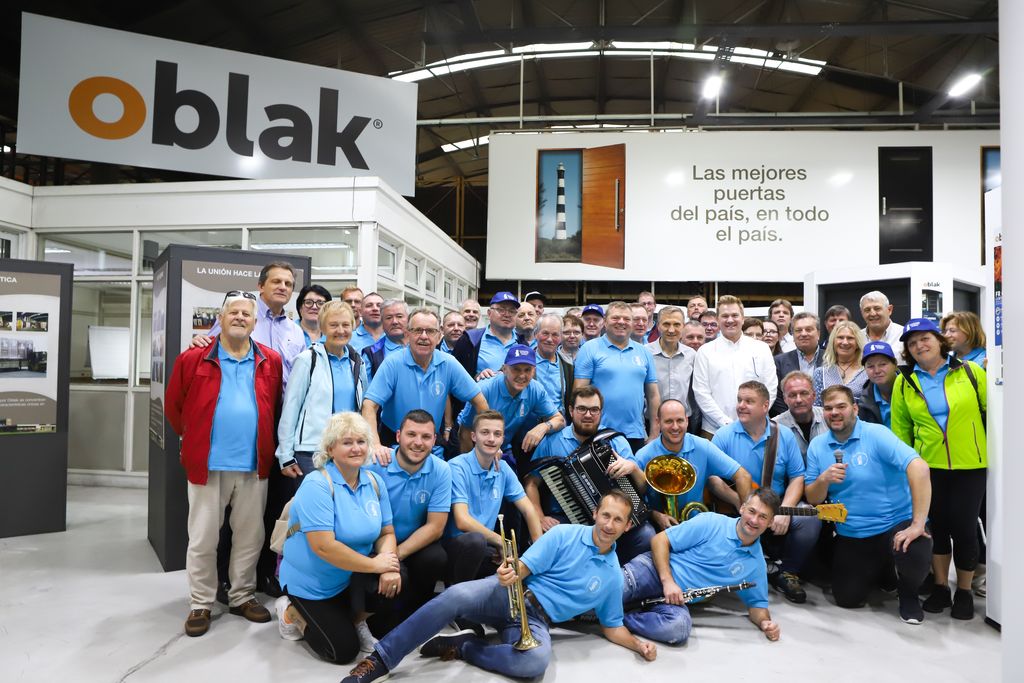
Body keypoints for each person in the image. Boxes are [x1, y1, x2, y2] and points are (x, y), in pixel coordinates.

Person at [343, 491, 657, 683]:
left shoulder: (613, 576)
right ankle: (380, 660)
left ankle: (465, 647)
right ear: (595, 513)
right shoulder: (564, 534)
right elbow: (524, 567)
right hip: (510, 593)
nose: (608, 525)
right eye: (605, 515)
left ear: (627, 526)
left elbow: (613, 626)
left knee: (534, 663)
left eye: (618, 520)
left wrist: (638, 645)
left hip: (537, 621)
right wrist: (511, 573)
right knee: (456, 595)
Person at [165, 291, 283, 637]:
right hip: (208, 465)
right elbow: (174, 407)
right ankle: (201, 602)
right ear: (221, 318)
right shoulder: (193, 358)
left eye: (246, 314)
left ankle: (241, 596)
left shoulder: (270, 360)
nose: (240, 318)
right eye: (233, 312)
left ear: (255, 322)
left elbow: (274, 406)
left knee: (250, 537)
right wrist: (196, 437)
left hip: (253, 464)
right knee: (203, 538)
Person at [276, 413, 400, 661]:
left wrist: (388, 564)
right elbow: (324, 547)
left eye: (361, 441)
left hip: (349, 577)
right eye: (347, 442)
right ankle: (290, 612)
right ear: (331, 448)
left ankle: (353, 619)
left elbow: (386, 533)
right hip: (312, 584)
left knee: (398, 578)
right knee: (343, 651)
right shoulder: (317, 484)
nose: (356, 448)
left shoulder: (374, 481)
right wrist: (376, 565)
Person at [805, 385, 932, 625]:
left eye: (841, 406)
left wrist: (918, 524)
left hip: (895, 523)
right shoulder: (817, 446)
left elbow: (919, 468)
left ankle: (909, 593)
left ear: (855, 409)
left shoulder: (876, 434)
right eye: (829, 408)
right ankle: (884, 568)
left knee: (916, 547)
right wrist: (823, 480)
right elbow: (813, 498)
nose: (834, 412)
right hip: (853, 531)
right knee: (847, 598)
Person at [891, 318, 987, 620]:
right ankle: (941, 587)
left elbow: (992, 413)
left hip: (971, 464)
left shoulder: (971, 372)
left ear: (939, 340)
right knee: (939, 528)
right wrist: (908, 468)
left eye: (925, 339)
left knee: (966, 529)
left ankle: (965, 591)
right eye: (912, 342)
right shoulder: (905, 381)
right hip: (929, 468)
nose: (919, 345)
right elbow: (901, 430)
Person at [620, 488, 782, 645]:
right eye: (752, 511)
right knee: (612, 592)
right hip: (653, 571)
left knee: (678, 628)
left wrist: (765, 622)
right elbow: (659, 540)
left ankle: (619, 620)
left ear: (770, 522)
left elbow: (757, 606)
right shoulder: (711, 522)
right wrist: (668, 581)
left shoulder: (756, 564)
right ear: (742, 508)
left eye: (763, 517)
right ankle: (615, 613)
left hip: (674, 600)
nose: (754, 520)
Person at [711, 381, 818, 603]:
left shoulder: (784, 435)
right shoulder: (724, 435)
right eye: (739, 400)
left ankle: (787, 572)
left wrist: (785, 510)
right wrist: (738, 502)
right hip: (737, 509)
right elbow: (712, 479)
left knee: (811, 519)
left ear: (765, 406)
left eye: (749, 401)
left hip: (775, 506)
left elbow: (797, 477)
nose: (741, 405)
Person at [525, 385, 655, 565]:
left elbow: (642, 488)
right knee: (547, 536)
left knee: (647, 535)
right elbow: (531, 483)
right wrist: (539, 516)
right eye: (582, 409)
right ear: (571, 411)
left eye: (594, 410)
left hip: (613, 518)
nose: (588, 415)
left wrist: (633, 468)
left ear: (601, 412)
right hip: (566, 517)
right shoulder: (552, 441)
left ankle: (622, 576)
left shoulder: (615, 440)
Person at [365, 410, 452, 625]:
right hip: (375, 544)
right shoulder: (376, 464)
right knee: (383, 624)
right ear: (398, 436)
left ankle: (416, 614)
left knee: (436, 558)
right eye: (411, 434)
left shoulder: (441, 470)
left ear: (434, 440)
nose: (418, 442)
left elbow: (435, 527)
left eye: (426, 437)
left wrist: (395, 557)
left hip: (410, 544)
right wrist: (386, 559)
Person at [362, 309, 486, 452]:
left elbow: (480, 401)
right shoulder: (392, 363)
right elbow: (369, 405)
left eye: (431, 331)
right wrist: (375, 445)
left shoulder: (448, 363)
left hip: (431, 442)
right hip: (393, 441)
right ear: (407, 334)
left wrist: (485, 441)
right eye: (418, 330)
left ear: (439, 336)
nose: (424, 336)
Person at [443, 412, 544, 585]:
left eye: (497, 434)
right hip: (457, 546)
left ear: (503, 439)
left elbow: (529, 510)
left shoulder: (503, 468)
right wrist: (500, 542)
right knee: (476, 541)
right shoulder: (457, 467)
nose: (491, 439)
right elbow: (462, 521)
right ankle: (457, 595)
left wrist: (539, 552)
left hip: (486, 546)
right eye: (485, 432)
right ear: (473, 436)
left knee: (515, 567)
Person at [277, 301, 370, 482]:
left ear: (353, 326)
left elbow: (363, 408)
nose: (340, 330)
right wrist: (285, 455)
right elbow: (290, 408)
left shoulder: (357, 363)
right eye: (333, 325)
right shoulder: (307, 360)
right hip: (312, 451)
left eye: (345, 325)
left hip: (348, 450)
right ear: (322, 328)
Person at [632, 399, 752, 532]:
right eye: (669, 421)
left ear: (687, 421)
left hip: (697, 527)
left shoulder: (703, 446)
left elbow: (743, 475)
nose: (675, 427)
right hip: (658, 529)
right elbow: (633, 500)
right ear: (658, 422)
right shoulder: (643, 455)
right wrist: (655, 515)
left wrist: (745, 514)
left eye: (680, 420)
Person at [193, 261, 305, 384]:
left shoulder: (296, 331)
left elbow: (300, 374)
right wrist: (199, 343)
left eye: (288, 284)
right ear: (261, 286)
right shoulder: (238, 318)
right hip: (244, 393)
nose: (283, 287)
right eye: (276, 281)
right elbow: (207, 352)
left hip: (284, 396)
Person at [573, 301, 661, 453]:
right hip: (598, 432)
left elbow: (653, 396)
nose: (621, 322)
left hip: (635, 434)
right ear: (605, 322)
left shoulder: (644, 352)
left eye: (627, 319)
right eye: (615, 318)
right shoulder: (589, 348)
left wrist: (654, 433)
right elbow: (578, 392)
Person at [457, 345, 565, 464]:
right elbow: (464, 432)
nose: (522, 375)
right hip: (471, 445)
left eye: (527, 370)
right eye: (516, 369)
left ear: (534, 371)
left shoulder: (535, 389)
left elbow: (560, 420)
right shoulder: (485, 389)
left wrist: (543, 427)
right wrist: (472, 466)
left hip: (502, 447)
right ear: (504, 369)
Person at [692, 295, 777, 438]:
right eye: (725, 316)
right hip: (715, 431)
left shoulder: (761, 349)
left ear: (743, 318)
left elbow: (770, 387)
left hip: (755, 428)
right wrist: (726, 423)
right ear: (718, 320)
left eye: (735, 315)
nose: (730, 320)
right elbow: (701, 392)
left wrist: (753, 417)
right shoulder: (705, 351)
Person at [453, 291, 520, 380]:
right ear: (489, 313)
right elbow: (455, 377)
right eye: (501, 310)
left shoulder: (522, 342)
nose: (507, 314)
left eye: (512, 311)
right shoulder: (470, 339)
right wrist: (476, 377)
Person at [771, 311, 824, 416]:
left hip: (826, 419)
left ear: (818, 333)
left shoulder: (831, 359)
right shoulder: (778, 362)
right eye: (798, 330)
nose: (803, 334)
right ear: (793, 335)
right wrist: (793, 417)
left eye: (808, 329)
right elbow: (776, 397)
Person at [645, 305, 695, 405]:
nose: (671, 330)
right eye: (666, 324)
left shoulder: (691, 355)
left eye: (676, 325)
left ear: (683, 326)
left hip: (683, 414)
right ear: (658, 326)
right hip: (652, 414)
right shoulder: (645, 353)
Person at [775, 371, 827, 461]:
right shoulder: (775, 427)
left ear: (814, 396)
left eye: (804, 393)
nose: (798, 400)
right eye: (792, 395)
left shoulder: (828, 417)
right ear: (785, 399)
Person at [813, 320, 868, 406]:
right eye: (840, 338)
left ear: (857, 343)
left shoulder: (867, 372)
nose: (845, 342)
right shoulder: (820, 373)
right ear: (833, 342)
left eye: (850, 338)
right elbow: (816, 407)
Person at [534, 313, 574, 417]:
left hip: (560, 424)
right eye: (545, 333)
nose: (549, 339)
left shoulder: (568, 368)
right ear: (536, 334)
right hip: (531, 424)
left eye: (555, 335)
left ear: (561, 338)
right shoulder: (524, 363)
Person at [361, 299, 408, 381]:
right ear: (382, 322)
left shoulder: (422, 347)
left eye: (399, 316)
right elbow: (366, 387)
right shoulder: (372, 353)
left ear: (409, 320)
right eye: (389, 318)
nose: (394, 322)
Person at [858, 341, 899, 428]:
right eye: (870, 366)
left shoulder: (912, 387)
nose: (877, 371)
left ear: (895, 364)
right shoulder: (864, 401)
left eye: (882, 364)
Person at [860, 290, 904, 357]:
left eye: (877, 308)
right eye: (867, 310)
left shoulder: (904, 335)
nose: (872, 314)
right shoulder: (856, 338)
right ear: (862, 313)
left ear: (889, 310)